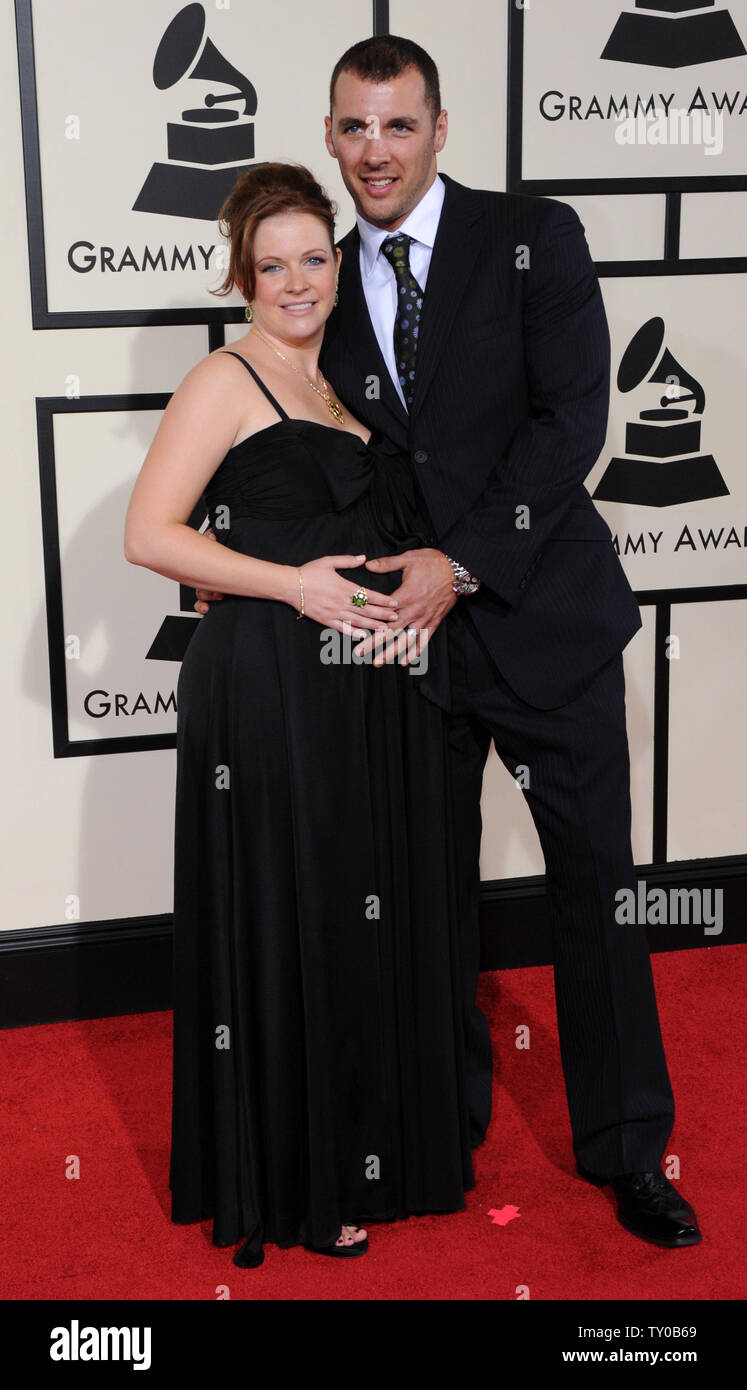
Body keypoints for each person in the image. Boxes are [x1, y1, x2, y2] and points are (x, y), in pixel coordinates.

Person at [196, 35, 701, 1250]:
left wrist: (461, 560)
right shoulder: (311, 279)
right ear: (329, 135)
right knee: (424, 906)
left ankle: (629, 1148)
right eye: (355, 128)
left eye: (399, 125)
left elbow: (571, 415)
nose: (376, 150)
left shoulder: (533, 237)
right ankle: (443, 1121)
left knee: (599, 891)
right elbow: (287, 437)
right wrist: (239, 565)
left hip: (544, 623)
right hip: (403, 653)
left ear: (439, 127)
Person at [124, 161, 476, 1267]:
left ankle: (358, 1147)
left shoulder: (343, 390)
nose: (294, 282)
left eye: (311, 259)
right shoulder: (225, 380)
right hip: (267, 686)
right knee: (298, 913)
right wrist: (295, 584)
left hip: (351, 687)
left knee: (342, 913)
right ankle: (298, 1183)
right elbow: (150, 535)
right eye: (269, 266)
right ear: (240, 277)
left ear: (340, 263)